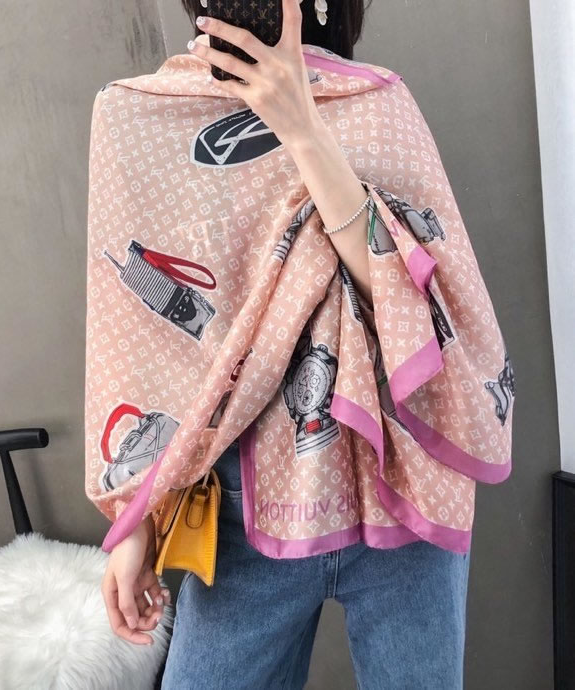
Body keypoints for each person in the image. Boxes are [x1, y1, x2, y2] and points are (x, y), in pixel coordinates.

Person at [98, 1, 475, 687]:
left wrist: (302, 125)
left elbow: (414, 305)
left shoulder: (378, 102)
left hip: (400, 485)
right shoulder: (143, 116)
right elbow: (149, 350)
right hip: (241, 509)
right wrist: (139, 518)